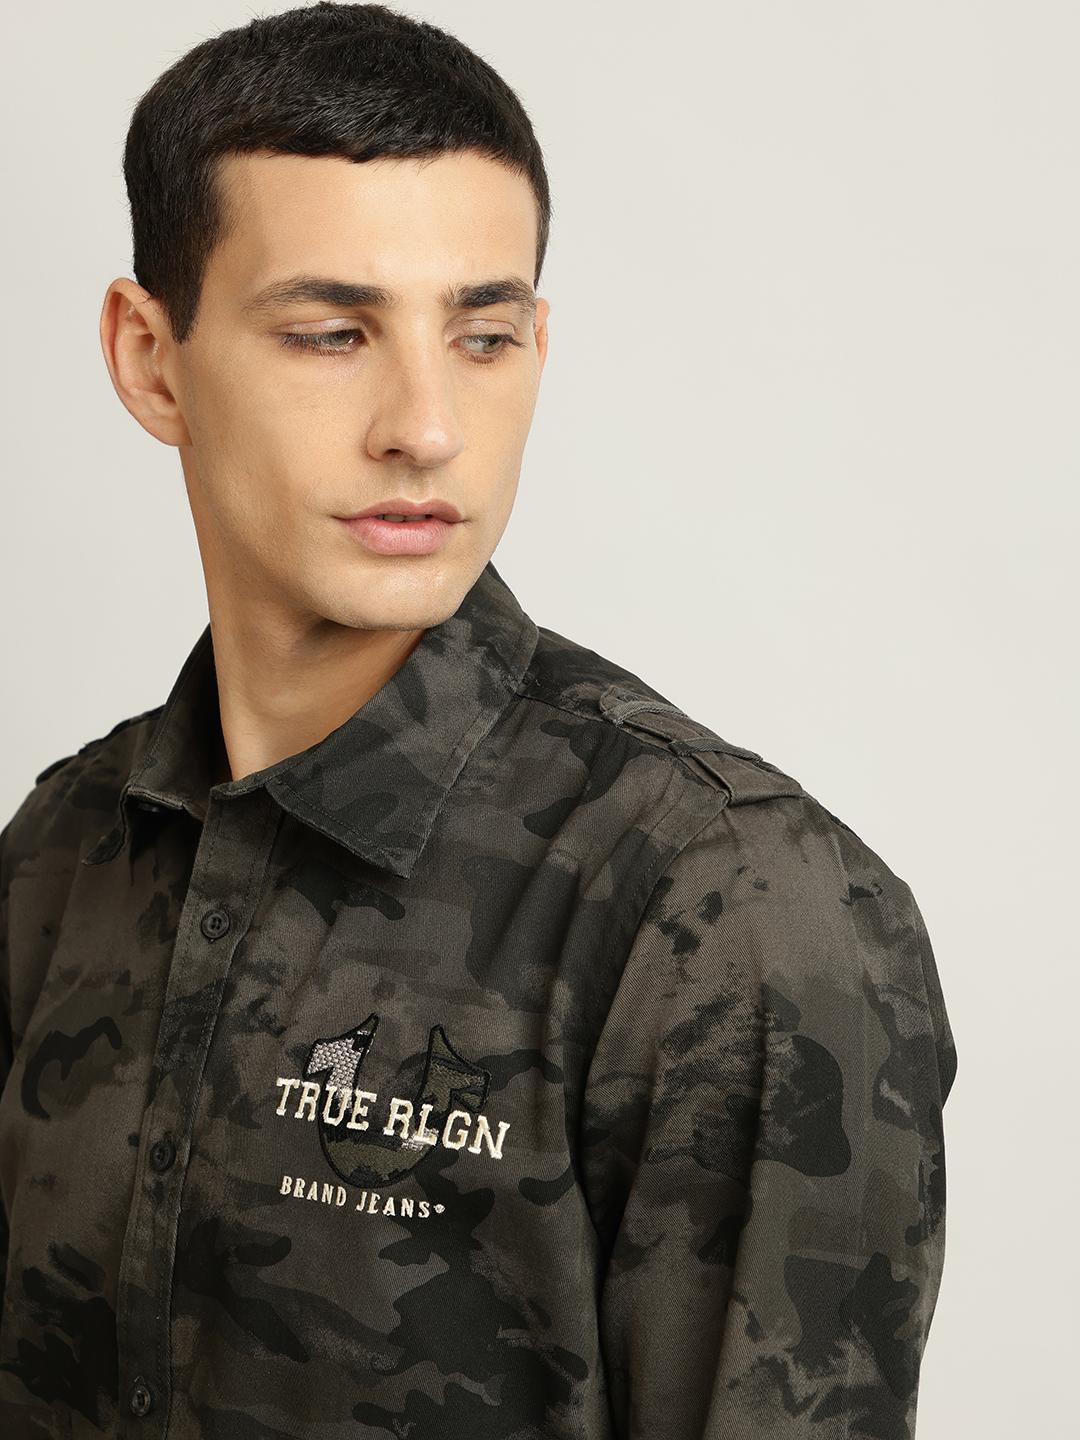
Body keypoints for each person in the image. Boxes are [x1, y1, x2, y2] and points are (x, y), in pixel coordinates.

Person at [0, 4, 957, 1436]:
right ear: (150, 358)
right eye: (332, 333)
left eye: (484, 335)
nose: (427, 425)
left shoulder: (736, 913)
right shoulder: (63, 851)